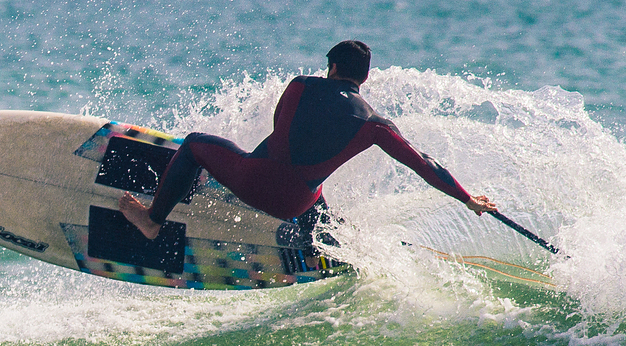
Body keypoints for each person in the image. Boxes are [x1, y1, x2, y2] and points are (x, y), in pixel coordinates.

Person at [118, 40, 497, 241]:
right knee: (315, 192)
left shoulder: (300, 86)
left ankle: (153, 219)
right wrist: (467, 199)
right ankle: (329, 243)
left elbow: (278, 130)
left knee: (195, 144)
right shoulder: (378, 126)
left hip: (252, 183)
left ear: (331, 67)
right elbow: (424, 164)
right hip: (293, 205)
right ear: (363, 79)